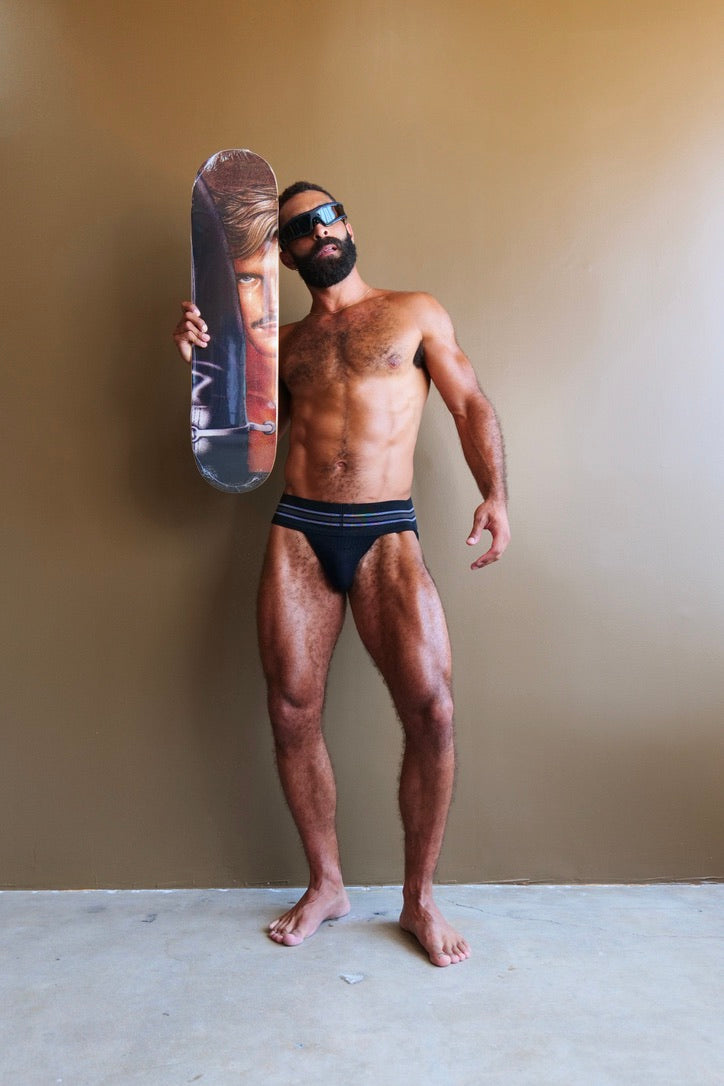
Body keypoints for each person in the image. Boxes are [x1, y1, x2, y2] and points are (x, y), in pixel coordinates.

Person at [173, 181, 510, 967]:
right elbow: (236, 436)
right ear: (286, 255)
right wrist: (203, 361)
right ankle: (326, 884)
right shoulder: (282, 343)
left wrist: (494, 493)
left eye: (328, 216)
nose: (319, 230)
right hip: (300, 528)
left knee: (432, 709)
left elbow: (469, 403)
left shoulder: (413, 312)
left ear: (348, 224)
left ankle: (420, 898)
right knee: (292, 710)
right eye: (300, 228)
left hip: (387, 529)